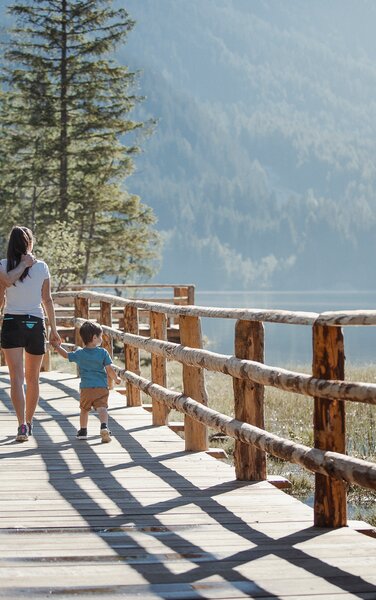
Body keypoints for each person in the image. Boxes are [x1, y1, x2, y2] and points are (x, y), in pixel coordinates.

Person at [0, 225, 61, 442]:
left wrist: (54, 329)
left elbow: (3, 294)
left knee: (20, 378)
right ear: (29, 243)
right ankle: (26, 424)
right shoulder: (34, 267)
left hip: (15, 323)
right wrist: (53, 327)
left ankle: (23, 424)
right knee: (29, 379)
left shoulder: (4, 266)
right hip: (32, 324)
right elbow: (47, 300)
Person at [53, 320, 120, 443]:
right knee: (102, 408)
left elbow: (67, 356)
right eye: (100, 336)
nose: (101, 338)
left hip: (86, 388)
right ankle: (104, 426)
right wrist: (116, 379)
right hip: (101, 387)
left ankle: (83, 431)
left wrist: (57, 347)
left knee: (84, 410)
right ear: (94, 338)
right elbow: (109, 369)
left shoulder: (80, 353)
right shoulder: (102, 352)